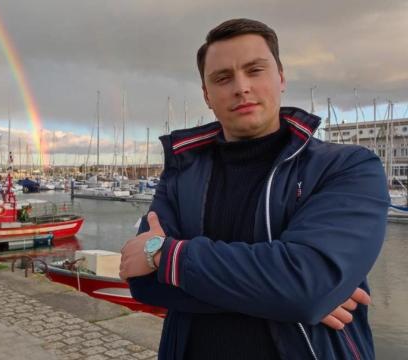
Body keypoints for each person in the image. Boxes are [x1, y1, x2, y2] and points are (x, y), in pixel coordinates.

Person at [120, 19, 389, 359]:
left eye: (255, 70)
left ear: (280, 78)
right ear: (207, 95)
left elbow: (307, 286)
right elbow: (143, 283)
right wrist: (284, 298)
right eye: (223, 78)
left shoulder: (347, 166)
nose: (241, 87)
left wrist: (165, 254)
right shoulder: (181, 172)